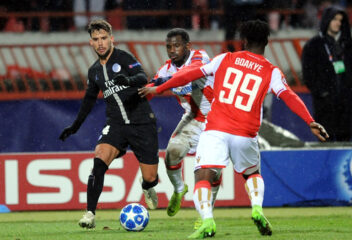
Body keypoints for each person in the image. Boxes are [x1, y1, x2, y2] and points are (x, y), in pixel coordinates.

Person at [139, 20, 329, 238]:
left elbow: (188, 74)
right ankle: (257, 208)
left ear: (244, 41)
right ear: (267, 42)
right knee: (251, 174)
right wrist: (309, 120)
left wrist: (161, 87)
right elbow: (289, 96)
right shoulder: (272, 71)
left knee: (204, 175)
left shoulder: (225, 59)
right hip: (245, 133)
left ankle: (207, 221)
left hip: (217, 127)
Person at [59, 19, 159, 229]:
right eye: (96, 39)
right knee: (99, 160)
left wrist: (128, 81)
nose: (100, 43)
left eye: (104, 38)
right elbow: (88, 100)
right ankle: (90, 214)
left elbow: (143, 77)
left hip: (141, 121)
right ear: (91, 43)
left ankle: (147, 186)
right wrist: (75, 126)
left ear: (111, 39)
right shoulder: (94, 71)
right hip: (116, 125)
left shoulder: (124, 58)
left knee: (150, 176)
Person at [150, 28, 220, 218]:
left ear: (188, 46)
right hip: (194, 119)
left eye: (177, 45)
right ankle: (180, 189)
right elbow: (150, 87)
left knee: (210, 172)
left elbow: (188, 73)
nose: (172, 50)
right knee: (171, 155)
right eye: (169, 47)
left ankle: (206, 217)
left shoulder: (200, 57)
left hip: (218, 119)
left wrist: (163, 82)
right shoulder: (166, 69)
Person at [302, 6, 352, 141]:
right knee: (326, 143)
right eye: (335, 19)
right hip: (325, 105)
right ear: (327, 20)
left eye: (341, 20)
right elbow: (308, 74)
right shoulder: (313, 45)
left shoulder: (347, 44)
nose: (338, 23)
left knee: (345, 144)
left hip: (346, 105)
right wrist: (322, 93)